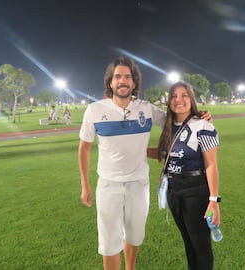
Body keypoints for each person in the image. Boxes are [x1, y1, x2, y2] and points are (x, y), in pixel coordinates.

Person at [78, 56, 212, 270]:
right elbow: (84, 147)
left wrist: (199, 115)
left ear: (134, 82)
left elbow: (175, 118)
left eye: (128, 77)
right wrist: (85, 184)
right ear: (110, 82)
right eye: (118, 76)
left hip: (139, 185)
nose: (123, 81)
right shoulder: (94, 111)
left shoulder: (146, 109)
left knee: (134, 236)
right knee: (110, 244)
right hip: (108, 185)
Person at [155, 81, 221, 270]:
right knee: (188, 243)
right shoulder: (169, 125)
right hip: (174, 192)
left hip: (196, 193)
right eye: (174, 96)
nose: (179, 100)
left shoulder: (203, 126)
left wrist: (214, 201)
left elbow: (211, 165)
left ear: (191, 99)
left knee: (201, 246)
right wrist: (138, 151)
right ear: (169, 101)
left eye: (184, 95)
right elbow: (164, 154)